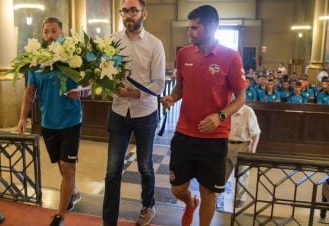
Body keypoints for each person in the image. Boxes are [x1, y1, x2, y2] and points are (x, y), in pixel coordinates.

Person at [161, 5, 246, 226]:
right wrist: (172, 97)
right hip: (185, 133)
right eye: (189, 28)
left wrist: (220, 116)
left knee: (210, 193)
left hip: (214, 138)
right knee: (177, 188)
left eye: (195, 28)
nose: (190, 33)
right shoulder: (184, 53)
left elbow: (240, 98)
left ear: (213, 27)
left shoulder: (231, 57)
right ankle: (190, 203)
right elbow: (180, 87)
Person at [16, 17, 88, 226]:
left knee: (68, 168)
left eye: (54, 31)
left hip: (71, 122)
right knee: (61, 165)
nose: (49, 35)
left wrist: (81, 91)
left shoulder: (73, 58)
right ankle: (72, 191)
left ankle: (60, 215)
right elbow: (29, 94)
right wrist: (22, 118)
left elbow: (89, 86)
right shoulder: (36, 63)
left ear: (62, 33)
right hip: (48, 124)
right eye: (46, 31)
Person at [102, 0, 166, 225]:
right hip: (119, 111)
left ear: (144, 14)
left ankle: (148, 205)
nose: (128, 15)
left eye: (133, 10)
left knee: (145, 165)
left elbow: (159, 84)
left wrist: (135, 94)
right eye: (125, 11)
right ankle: (109, 220)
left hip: (145, 113)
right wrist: (111, 87)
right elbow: (103, 73)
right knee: (112, 170)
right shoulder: (112, 41)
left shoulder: (154, 44)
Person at [225, 104, 260, 208]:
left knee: (243, 174)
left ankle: (240, 198)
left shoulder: (248, 111)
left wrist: (253, 148)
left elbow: (256, 133)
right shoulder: (226, 109)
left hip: (243, 146)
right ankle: (217, 194)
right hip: (227, 144)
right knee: (223, 172)